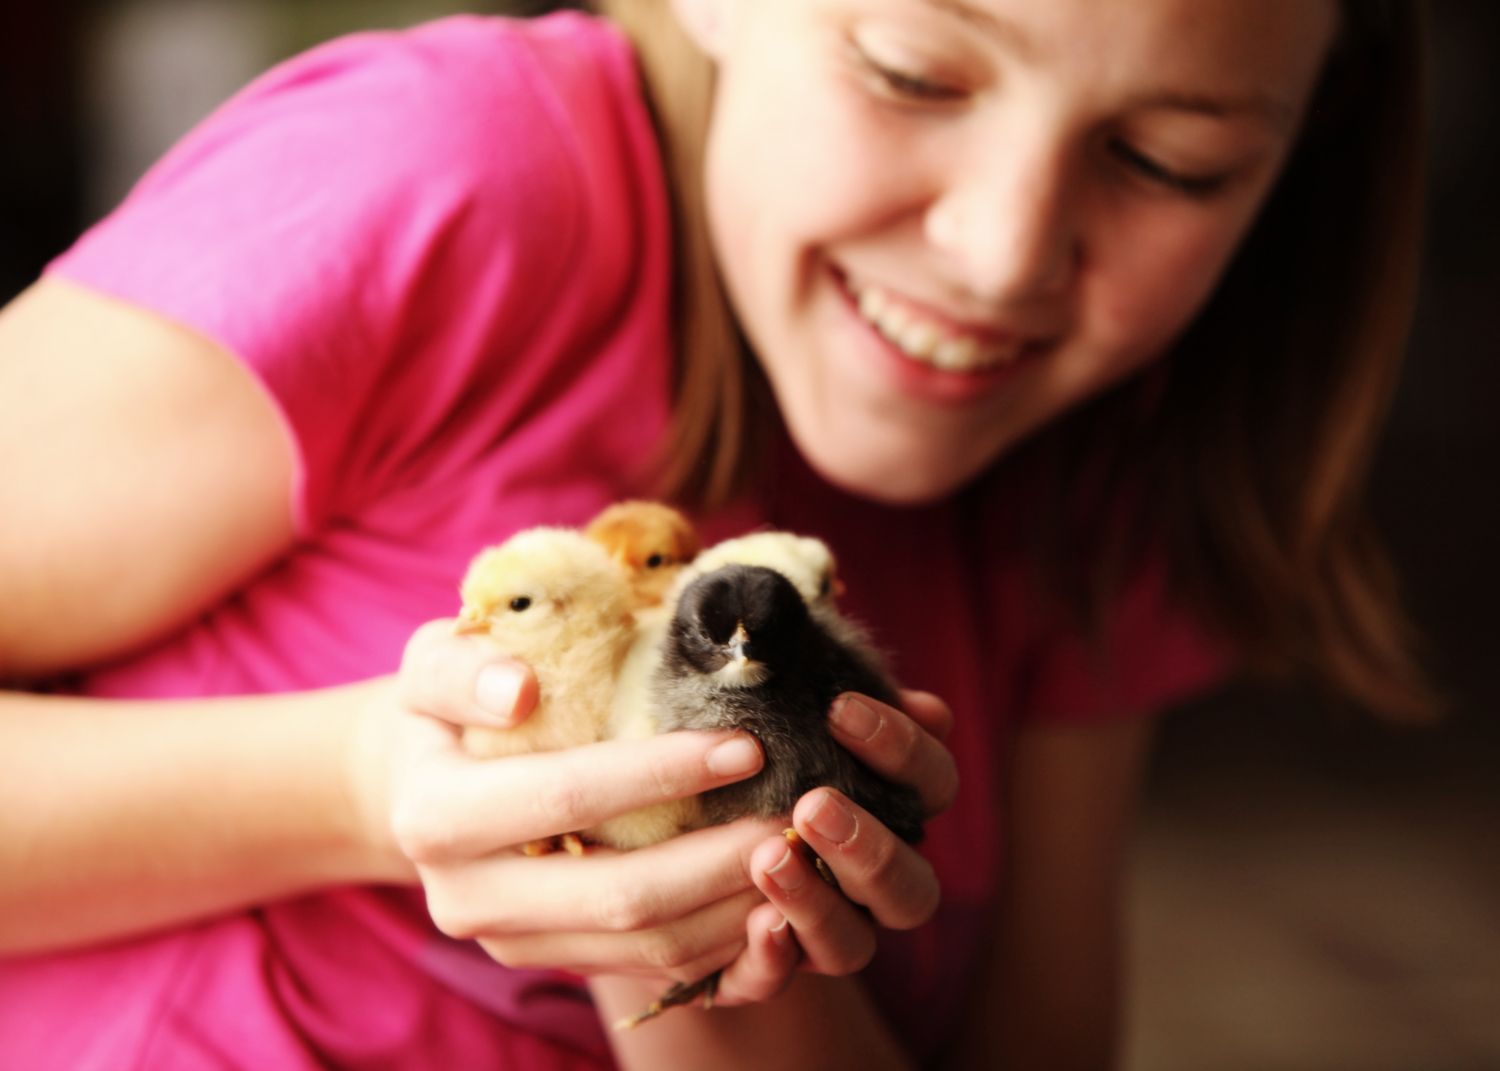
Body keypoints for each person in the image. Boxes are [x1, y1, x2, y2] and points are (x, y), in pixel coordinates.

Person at [0, 0, 1433, 1067]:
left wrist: (721, 934)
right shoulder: (448, 177)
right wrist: (363, 785)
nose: (1002, 253)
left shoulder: (1108, 457)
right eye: (912, 72)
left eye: (1170, 162)